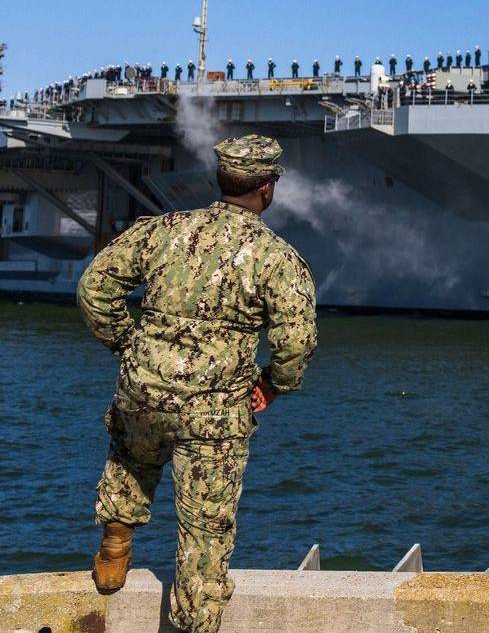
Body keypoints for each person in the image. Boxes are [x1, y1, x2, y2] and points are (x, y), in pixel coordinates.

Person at [81, 135, 318, 633]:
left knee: (131, 457)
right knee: (205, 529)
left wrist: (129, 346)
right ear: (267, 189)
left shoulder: (162, 229)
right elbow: (296, 341)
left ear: (221, 179)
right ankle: (195, 620)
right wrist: (273, 385)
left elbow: (94, 289)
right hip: (214, 413)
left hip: (145, 388)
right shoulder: (276, 257)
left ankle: (115, 549)